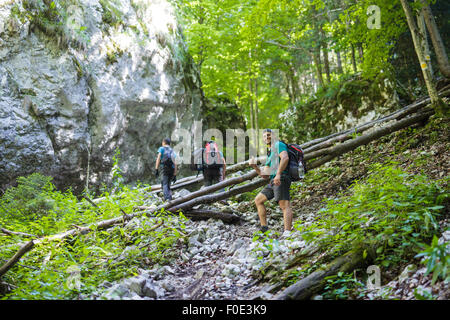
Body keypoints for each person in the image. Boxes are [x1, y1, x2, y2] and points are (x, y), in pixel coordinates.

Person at [249, 129, 294, 237]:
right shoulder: (270, 153)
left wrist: (278, 174)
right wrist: (255, 166)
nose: (266, 138)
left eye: (268, 135)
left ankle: (287, 232)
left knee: (284, 204)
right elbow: (265, 175)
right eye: (264, 137)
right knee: (258, 200)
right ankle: (264, 229)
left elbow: (285, 158)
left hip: (281, 178)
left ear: (273, 135)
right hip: (273, 180)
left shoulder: (278, 144)